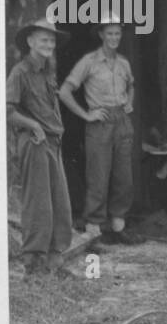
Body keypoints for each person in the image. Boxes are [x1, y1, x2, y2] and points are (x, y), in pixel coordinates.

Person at [60, 18, 142, 244]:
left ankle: (118, 227)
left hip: (121, 121)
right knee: (98, 176)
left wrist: (129, 102)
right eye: (110, 34)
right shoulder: (89, 61)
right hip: (100, 121)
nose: (114, 38)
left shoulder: (124, 63)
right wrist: (87, 114)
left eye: (117, 34)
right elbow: (65, 91)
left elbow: (131, 85)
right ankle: (94, 230)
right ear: (101, 35)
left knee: (123, 177)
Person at [6, 16, 74, 277]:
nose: (49, 43)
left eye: (52, 39)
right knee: (38, 205)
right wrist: (33, 126)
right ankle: (34, 268)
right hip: (35, 142)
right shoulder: (20, 72)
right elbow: (6, 110)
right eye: (44, 39)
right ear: (31, 41)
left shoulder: (47, 70)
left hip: (52, 142)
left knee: (60, 204)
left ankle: (55, 264)